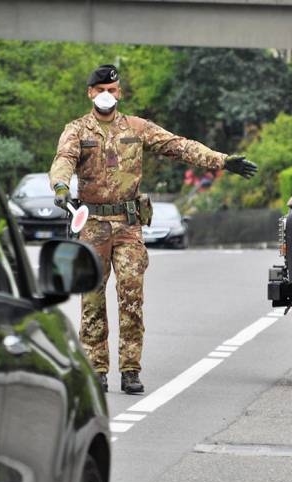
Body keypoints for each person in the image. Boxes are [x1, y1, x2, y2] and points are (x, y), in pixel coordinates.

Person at [48, 64, 258, 394]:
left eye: (113, 90)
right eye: (101, 89)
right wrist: (60, 186)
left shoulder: (137, 127)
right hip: (93, 226)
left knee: (131, 297)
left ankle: (130, 369)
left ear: (120, 93)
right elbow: (63, 159)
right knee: (91, 299)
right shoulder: (77, 130)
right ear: (90, 92)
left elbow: (179, 145)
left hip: (129, 225)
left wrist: (222, 160)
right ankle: (96, 369)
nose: (107, 95)